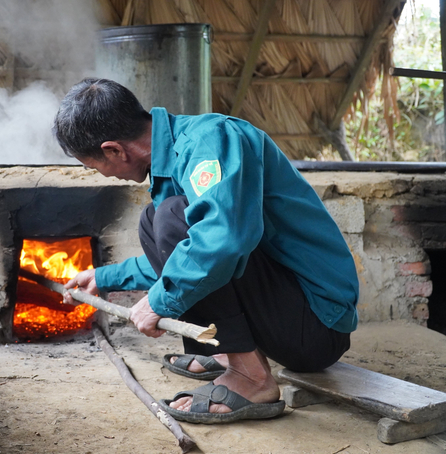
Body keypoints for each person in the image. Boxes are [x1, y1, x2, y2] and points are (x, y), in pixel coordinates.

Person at [53, 78, 359, 424]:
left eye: (96, 167)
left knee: (169, 217)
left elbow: (224, 242)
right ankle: (227, 355)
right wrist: (105, 276)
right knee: (156, 220)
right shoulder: (175, 160)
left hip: (316, 328)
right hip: (287, 317)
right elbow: (187, 255)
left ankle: (252, 378)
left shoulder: (210, 140)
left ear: (114, 150)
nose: (104, 175)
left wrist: (159, 301)